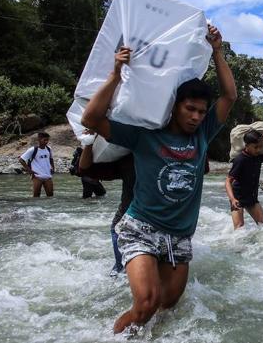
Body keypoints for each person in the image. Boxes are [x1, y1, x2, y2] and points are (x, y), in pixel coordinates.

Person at [81, 24, 236, 334]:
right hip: (140, 228)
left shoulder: (203, 136)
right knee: (147, 303)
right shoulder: (145, 135)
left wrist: (217, 50)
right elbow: (91, 119)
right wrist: (115, 75)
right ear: (174, 107)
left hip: (179, 236)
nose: (196, 117)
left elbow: (229, 96)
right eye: (189, 109)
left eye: (201, 112)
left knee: (167, 305)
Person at [77, 138, 135, 276]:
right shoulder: (166, 154)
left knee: (116, 228)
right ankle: (121, 268)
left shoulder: (129, 157)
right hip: (158, 215)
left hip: (133, 214)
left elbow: (85, 169)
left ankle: (120, 268)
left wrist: (89, 142)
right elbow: (85, 169)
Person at [225, 130, 263, 229]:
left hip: (252, 198)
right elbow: (228, 181)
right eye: (255, 147)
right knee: (239, 229)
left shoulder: (258, 157)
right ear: (247, 145)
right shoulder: (240, 159)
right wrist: (232, 199)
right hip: (237, 198)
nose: (258, 150)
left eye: (260, 146)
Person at [18, 132, 54, 197]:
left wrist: (53, 167)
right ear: (39, 139)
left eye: (47, 140)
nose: (46, 142)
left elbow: (51, 159)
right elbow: (21, 160)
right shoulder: (33, 150)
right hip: (37, 176)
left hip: (48, 176)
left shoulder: (49, 149)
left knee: (50, 196)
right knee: (36, 196)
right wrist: (29, 170)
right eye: (44, 140)